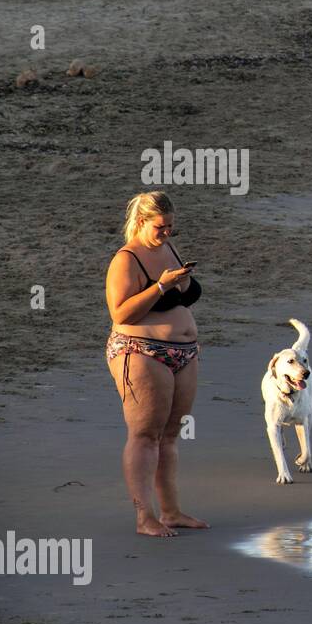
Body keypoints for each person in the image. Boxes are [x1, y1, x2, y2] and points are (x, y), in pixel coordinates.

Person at [104, 191, 209, 537]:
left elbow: (184, 295)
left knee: (170, 435)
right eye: (160, 228)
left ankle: (171, 511)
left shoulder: (168, 248)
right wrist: (161, 286)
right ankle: (143, 517)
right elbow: (120, 312)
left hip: (184, 353)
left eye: (170, 228)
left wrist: (182, 281)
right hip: (141, 350)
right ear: (141, 222)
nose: (166, 234)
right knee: (145, 434)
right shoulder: (126, 259)